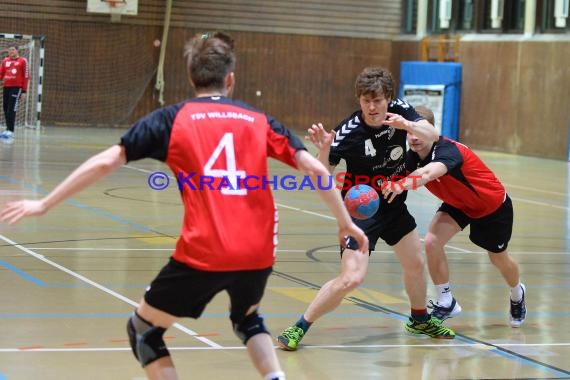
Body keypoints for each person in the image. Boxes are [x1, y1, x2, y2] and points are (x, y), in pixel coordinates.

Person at [0, 31, 369, 380]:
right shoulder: (259, 121)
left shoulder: (171, 120)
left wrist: (45, 203)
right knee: (247, 318)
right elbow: (313, 166)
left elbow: (104, 162)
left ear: (192, 79)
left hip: (205, 251)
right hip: (258, 252)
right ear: (231, 80)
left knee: (144, 331)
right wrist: (344, 223)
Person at [277, 67, 456, 352]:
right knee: (351, 278)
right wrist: (324, 150)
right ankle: (299, 325)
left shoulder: (400, 110)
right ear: (359, 100)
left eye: (377, 100)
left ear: (388, 98)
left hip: (394, 206)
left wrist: (407, 125)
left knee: (416, 263)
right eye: (365, 101)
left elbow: (433, 134)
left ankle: (419, 319)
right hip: (361, 213)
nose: (372, 107)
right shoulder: (348, 131)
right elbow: (321, 177)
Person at [382, 105, 526, 327]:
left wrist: (401, 185)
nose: (414, 138)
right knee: (431, 242)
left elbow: (427, 173)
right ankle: (446, 299)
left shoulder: (448, 151)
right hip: (458, 204)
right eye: (409, 133)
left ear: (431, 130)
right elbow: (388, 177)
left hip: (491, 206)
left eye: (419, 132)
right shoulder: (411, 157)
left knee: (498, 258)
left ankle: (517, 292)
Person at [0, 45, 28, 144]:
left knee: (11, 109)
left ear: (17, 50)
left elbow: (26, 76)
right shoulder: (5, 61)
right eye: (9, 50)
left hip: (16, 88)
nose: (10, 51)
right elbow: (1, 74)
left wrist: (24, 91)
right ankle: (7, 129)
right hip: (6, 87)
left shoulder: (22, 61)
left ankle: (11, 131)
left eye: (12, 50)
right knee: (5, 108)